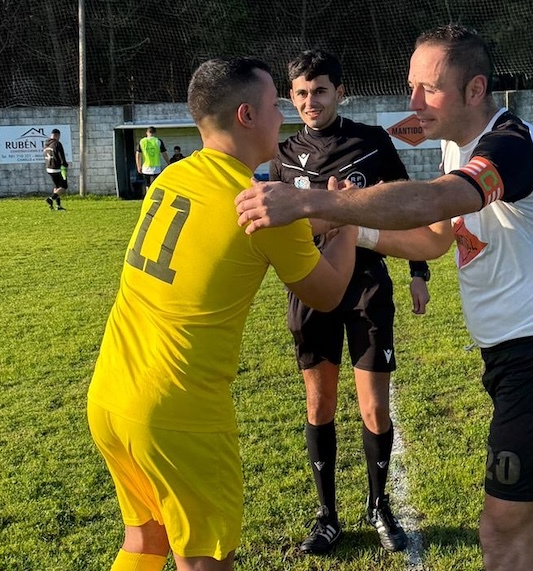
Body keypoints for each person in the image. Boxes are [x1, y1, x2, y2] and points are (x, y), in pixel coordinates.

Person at [236, 24, 533, 571]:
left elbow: (440, 201)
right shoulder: (454, 144)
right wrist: (350, 230)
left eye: (429, 89)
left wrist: (315, 203)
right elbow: (437, 238)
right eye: (410, 86)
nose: (412, 103)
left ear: (474, 89)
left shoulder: (512, 145)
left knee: (503, 531)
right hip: (515, 357)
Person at [87, 57, 358, 571]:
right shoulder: (260, 207)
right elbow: (327, 293)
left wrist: (321, 209)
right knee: (206, 559)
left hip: (111, 394)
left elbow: (249, 227)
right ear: (246, 116)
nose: (285, 114)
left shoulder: (172, 177)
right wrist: (344, 223)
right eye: (275, 103)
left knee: (145, 541)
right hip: (178, 411)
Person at [270, 48, 432, 555]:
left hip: (366, 288)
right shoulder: (281, 155)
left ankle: (380, 505)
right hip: (312, 287)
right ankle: (327, 517)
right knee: (319, 404)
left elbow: (406, 205)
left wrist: (418, 272)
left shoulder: (371, 142)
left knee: (373, 408)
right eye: (300, 93)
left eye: (320, 90)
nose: (310, 101)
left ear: (340, 91)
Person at [136, 126, 171, 192]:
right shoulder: (158, 141)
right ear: (155, 133)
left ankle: (148, 198)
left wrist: (138, 166)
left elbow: (138, 155)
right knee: (155, 184)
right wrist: (168, 163)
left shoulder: (142, 141)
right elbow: (164, 154)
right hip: (156, 168)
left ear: (147, 133)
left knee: (147, 185)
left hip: (146, 168)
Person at [43, 128, 68, 210]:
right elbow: (61, 156)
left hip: (48, 168)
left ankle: (58, 206)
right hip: (56, 168)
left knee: (57, 187)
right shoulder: (57, 144)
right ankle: (51, 199)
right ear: (57, 135)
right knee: (64, 186)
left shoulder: (46, 144)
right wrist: (64, 165)